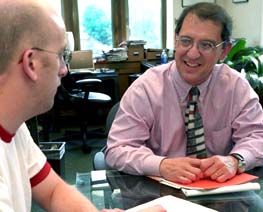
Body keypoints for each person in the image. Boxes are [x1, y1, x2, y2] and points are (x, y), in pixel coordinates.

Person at [0, 1, 165, 212]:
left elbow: (53, 192)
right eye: (62, 56)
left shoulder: (14, 125)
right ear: (31, 63)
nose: (64, 70)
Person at [105, 2, 263, 184]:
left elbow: (259, 137)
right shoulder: (145, 88)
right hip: (159, 193)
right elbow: (118, 149)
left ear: (224, 51)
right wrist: (161, 165)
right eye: (186, 41)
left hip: (219, 191)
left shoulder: (235, 86)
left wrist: (235, 160)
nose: (193, 54)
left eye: (206, 45)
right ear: (175, 40)